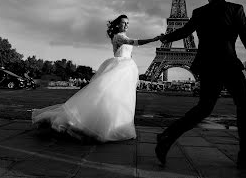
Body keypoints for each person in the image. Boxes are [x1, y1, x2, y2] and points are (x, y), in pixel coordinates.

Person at [155, 0, 246, 171]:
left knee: (203, 109)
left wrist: (166, 37)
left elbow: (185, 31)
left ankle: (167, 136)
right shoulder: (235, 9)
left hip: (207, 66)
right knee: (243, 107)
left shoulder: (200, 12)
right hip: (229, 65)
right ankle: (245, 157)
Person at [32, 14, 162, 142]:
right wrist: (154, 39)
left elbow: (129, 52)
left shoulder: (123, 36)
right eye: (124, 23)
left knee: (120, 99)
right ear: (118, 24)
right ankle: (106, 127)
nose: (126, 25)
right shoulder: (118, 37)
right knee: (112, 97)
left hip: (126, 69)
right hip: (119, 67)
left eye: (128, 23)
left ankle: (113, 126)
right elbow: (135, 43)